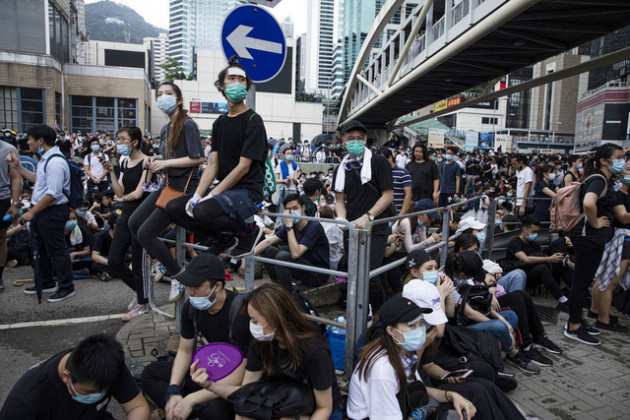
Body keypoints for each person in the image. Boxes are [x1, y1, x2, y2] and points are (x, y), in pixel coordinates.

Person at [190, 283, 344, 419]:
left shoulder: (314, 350)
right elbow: (246, 393)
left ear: (276, 318)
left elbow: (324, 407)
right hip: (282, 402)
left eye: (255, 320)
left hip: (320, 409)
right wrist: (209, 385)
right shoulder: (262, 342)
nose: (251, 325)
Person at [166, 57, 267, 259]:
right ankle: (221, 237)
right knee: (175, 208)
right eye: (232, 78)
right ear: (221, 85)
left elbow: (243, 167)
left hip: (247, 192)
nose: (237, 83)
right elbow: (212, 165)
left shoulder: (253, 121)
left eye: (242, 79)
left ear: (247, 86)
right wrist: (197, 195)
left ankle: (249, 233)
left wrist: (210, 197)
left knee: (203, 211)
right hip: (225, 191)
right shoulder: (219, 122)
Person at [141, 253, 251, 420]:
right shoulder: (191, 308)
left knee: (216, 413)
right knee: (149, 374)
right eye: (187, 285)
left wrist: (193, 399)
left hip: (234, 380)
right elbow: (185, 351)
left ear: (218, 285)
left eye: (197, 285)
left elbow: (244, 372)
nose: (190, 291)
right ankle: (181, 409)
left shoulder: (240, 313)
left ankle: (188, 410)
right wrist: (173, 390)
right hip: (208, 370)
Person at [128, 81, 205, 302]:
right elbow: (168, 158)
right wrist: (155, 160)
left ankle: (178, 275)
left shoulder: (187, 125)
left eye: (168, 93)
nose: (163, 97)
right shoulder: (165, 128)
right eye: (160, 94)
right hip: (168, 185)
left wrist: (166, 164)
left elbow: (199, 158)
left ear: (179, 99)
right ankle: (159, 258)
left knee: (145, 233)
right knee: (134, 222)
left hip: (184, 189)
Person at [346, 296, 477, 420]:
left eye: (421, 323)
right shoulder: (382, 370)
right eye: (411, 325)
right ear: (391, 330)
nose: (420, 330)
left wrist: (451, 396)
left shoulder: (403, 352)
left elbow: (415, 389)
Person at [0, 334, 150, 420]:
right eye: (89, 392)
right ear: (67, 377)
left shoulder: (110, 365)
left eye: (103, 391)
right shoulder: (24, 402)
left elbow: (138, 407)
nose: (98, 396)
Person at [567, 144, 630, 345]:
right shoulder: (599, 180)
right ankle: (573, 327)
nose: (622, 161)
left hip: (592, 239)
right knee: (580, 284)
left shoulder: (607, 182)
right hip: (588, 238)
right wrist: (594, 222)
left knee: (583, 282)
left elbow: (622, 215)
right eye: (619, 157)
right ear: (604, 160)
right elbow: (588, 203)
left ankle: (576, 321)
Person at [9, 124, 75, 302]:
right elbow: (39, 180)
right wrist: (18, 167)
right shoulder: (45, 159)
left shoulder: (55, 162)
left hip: (51, 212)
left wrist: (32, 212)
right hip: (43, 211)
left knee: (57, 250)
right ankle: (46, 282)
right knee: (41, 249)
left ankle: (66, 286)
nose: (27, 142)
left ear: (41, 140)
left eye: (30, 138)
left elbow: (53, 193)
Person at [332, 120, 394, 312]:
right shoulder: (340, 168)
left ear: (366, 140)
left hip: (375, 227)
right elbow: (340, 200)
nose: (355, 142)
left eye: (360, 138)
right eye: (351, 138)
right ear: (343, 141)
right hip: (352, 228)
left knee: (370, 275)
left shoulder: (379, 162)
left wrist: (368, 216)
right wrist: (342, 220)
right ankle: (359, 311)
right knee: (354, 274)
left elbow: (388, 195)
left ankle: (379, 315)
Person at [445, 251, 540, 374]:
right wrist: (500, 324)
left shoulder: (464, 271)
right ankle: (512, 354)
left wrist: (503, 320)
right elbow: (470, 313)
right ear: (463, 274)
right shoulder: (449, 281)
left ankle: (495, 352)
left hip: (474, 316)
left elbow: (484, 293)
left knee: (510, 316)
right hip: (460, 327)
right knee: (499, 326)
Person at [104, 126, 152, 320]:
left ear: (134, 142)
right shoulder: (124, 161)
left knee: (138, 263)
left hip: (140, 218)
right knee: (114, 261)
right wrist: (111, 173)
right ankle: (139, 291)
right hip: (125, 216)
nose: (120, 143)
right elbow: (120, 191)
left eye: (123, 139)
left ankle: (143, 303)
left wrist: (122, 199)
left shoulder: (146, 162)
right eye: (118, 139)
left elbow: (139, 193)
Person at [247, 193, 330, 291]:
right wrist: (248, 258)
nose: (292, 212)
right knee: (267, 250)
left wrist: (289, 226)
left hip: (317, 273)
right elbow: (268, 241)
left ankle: (286, 294)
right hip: (301, 267)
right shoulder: (292, 225)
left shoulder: (313, 227)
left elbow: (296, 254)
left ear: (303, 208)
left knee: (282, 257)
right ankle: (277, 286)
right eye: (289, 210)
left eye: (295, 208)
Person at [504, 215, 569, 311]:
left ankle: (564, 295)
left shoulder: (534, 245)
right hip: (516, 275)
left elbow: (541, 258)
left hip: (531, 275)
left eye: (537, 232)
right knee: (542, 268)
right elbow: (525, 259)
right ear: (525, 230)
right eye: (533, 232)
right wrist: (549, 259)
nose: (535, 234)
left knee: (552, 265)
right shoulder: (514, 243)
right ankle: (562, 299)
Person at [0, 132, 21, 293]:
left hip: (3, 198)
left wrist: (15, 203)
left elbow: (15, 177)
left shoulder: (8, 150)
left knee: (1, 239)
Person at [380, 147, 412, 216]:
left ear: (390, 158)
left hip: (398, 214)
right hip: (382, 215)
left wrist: (402, 213)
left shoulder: (403, 173)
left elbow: (408, 194)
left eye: (383, 159)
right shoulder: (378, 174)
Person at [275, 146, 300, 214]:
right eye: (287, 153)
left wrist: (292, 179)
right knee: (282, 209)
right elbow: (276, 180)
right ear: (284, 155)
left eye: (291, 153)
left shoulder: (295, 165)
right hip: (283, 190)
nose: (289, 155)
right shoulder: (280, 165)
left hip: (292, 189)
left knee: (293, 208)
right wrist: (284, 180)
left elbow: (296, 180)